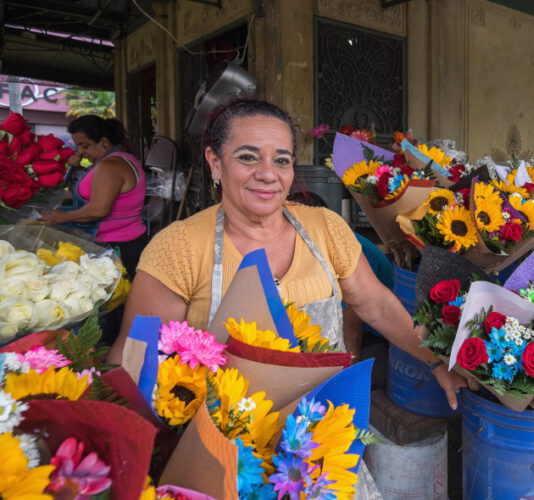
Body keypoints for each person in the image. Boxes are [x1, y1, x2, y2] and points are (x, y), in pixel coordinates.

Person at [107, 99, 465, 409]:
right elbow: (132, 359)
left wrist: (436, 362)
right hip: (220, 445)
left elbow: (377, 305)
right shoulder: (179, 248)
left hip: (323, 436)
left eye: (281, 161)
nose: (267, 174)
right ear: (215, 163)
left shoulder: (325, 227)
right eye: (248, 157)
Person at [286, 190, 394, 358]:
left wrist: (347, 377)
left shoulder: (351, 251)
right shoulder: (303, 246)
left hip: (376, 340)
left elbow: (352, 333)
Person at [40, 116, 148, 277]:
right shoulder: (118, 160)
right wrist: (73, 170)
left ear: (103, 142)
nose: (81, 152)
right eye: (78, 146)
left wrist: (64, 216)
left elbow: (98, 210)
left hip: (119, 246)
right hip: (127, 240)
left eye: (85, 146)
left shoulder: (110, 166)